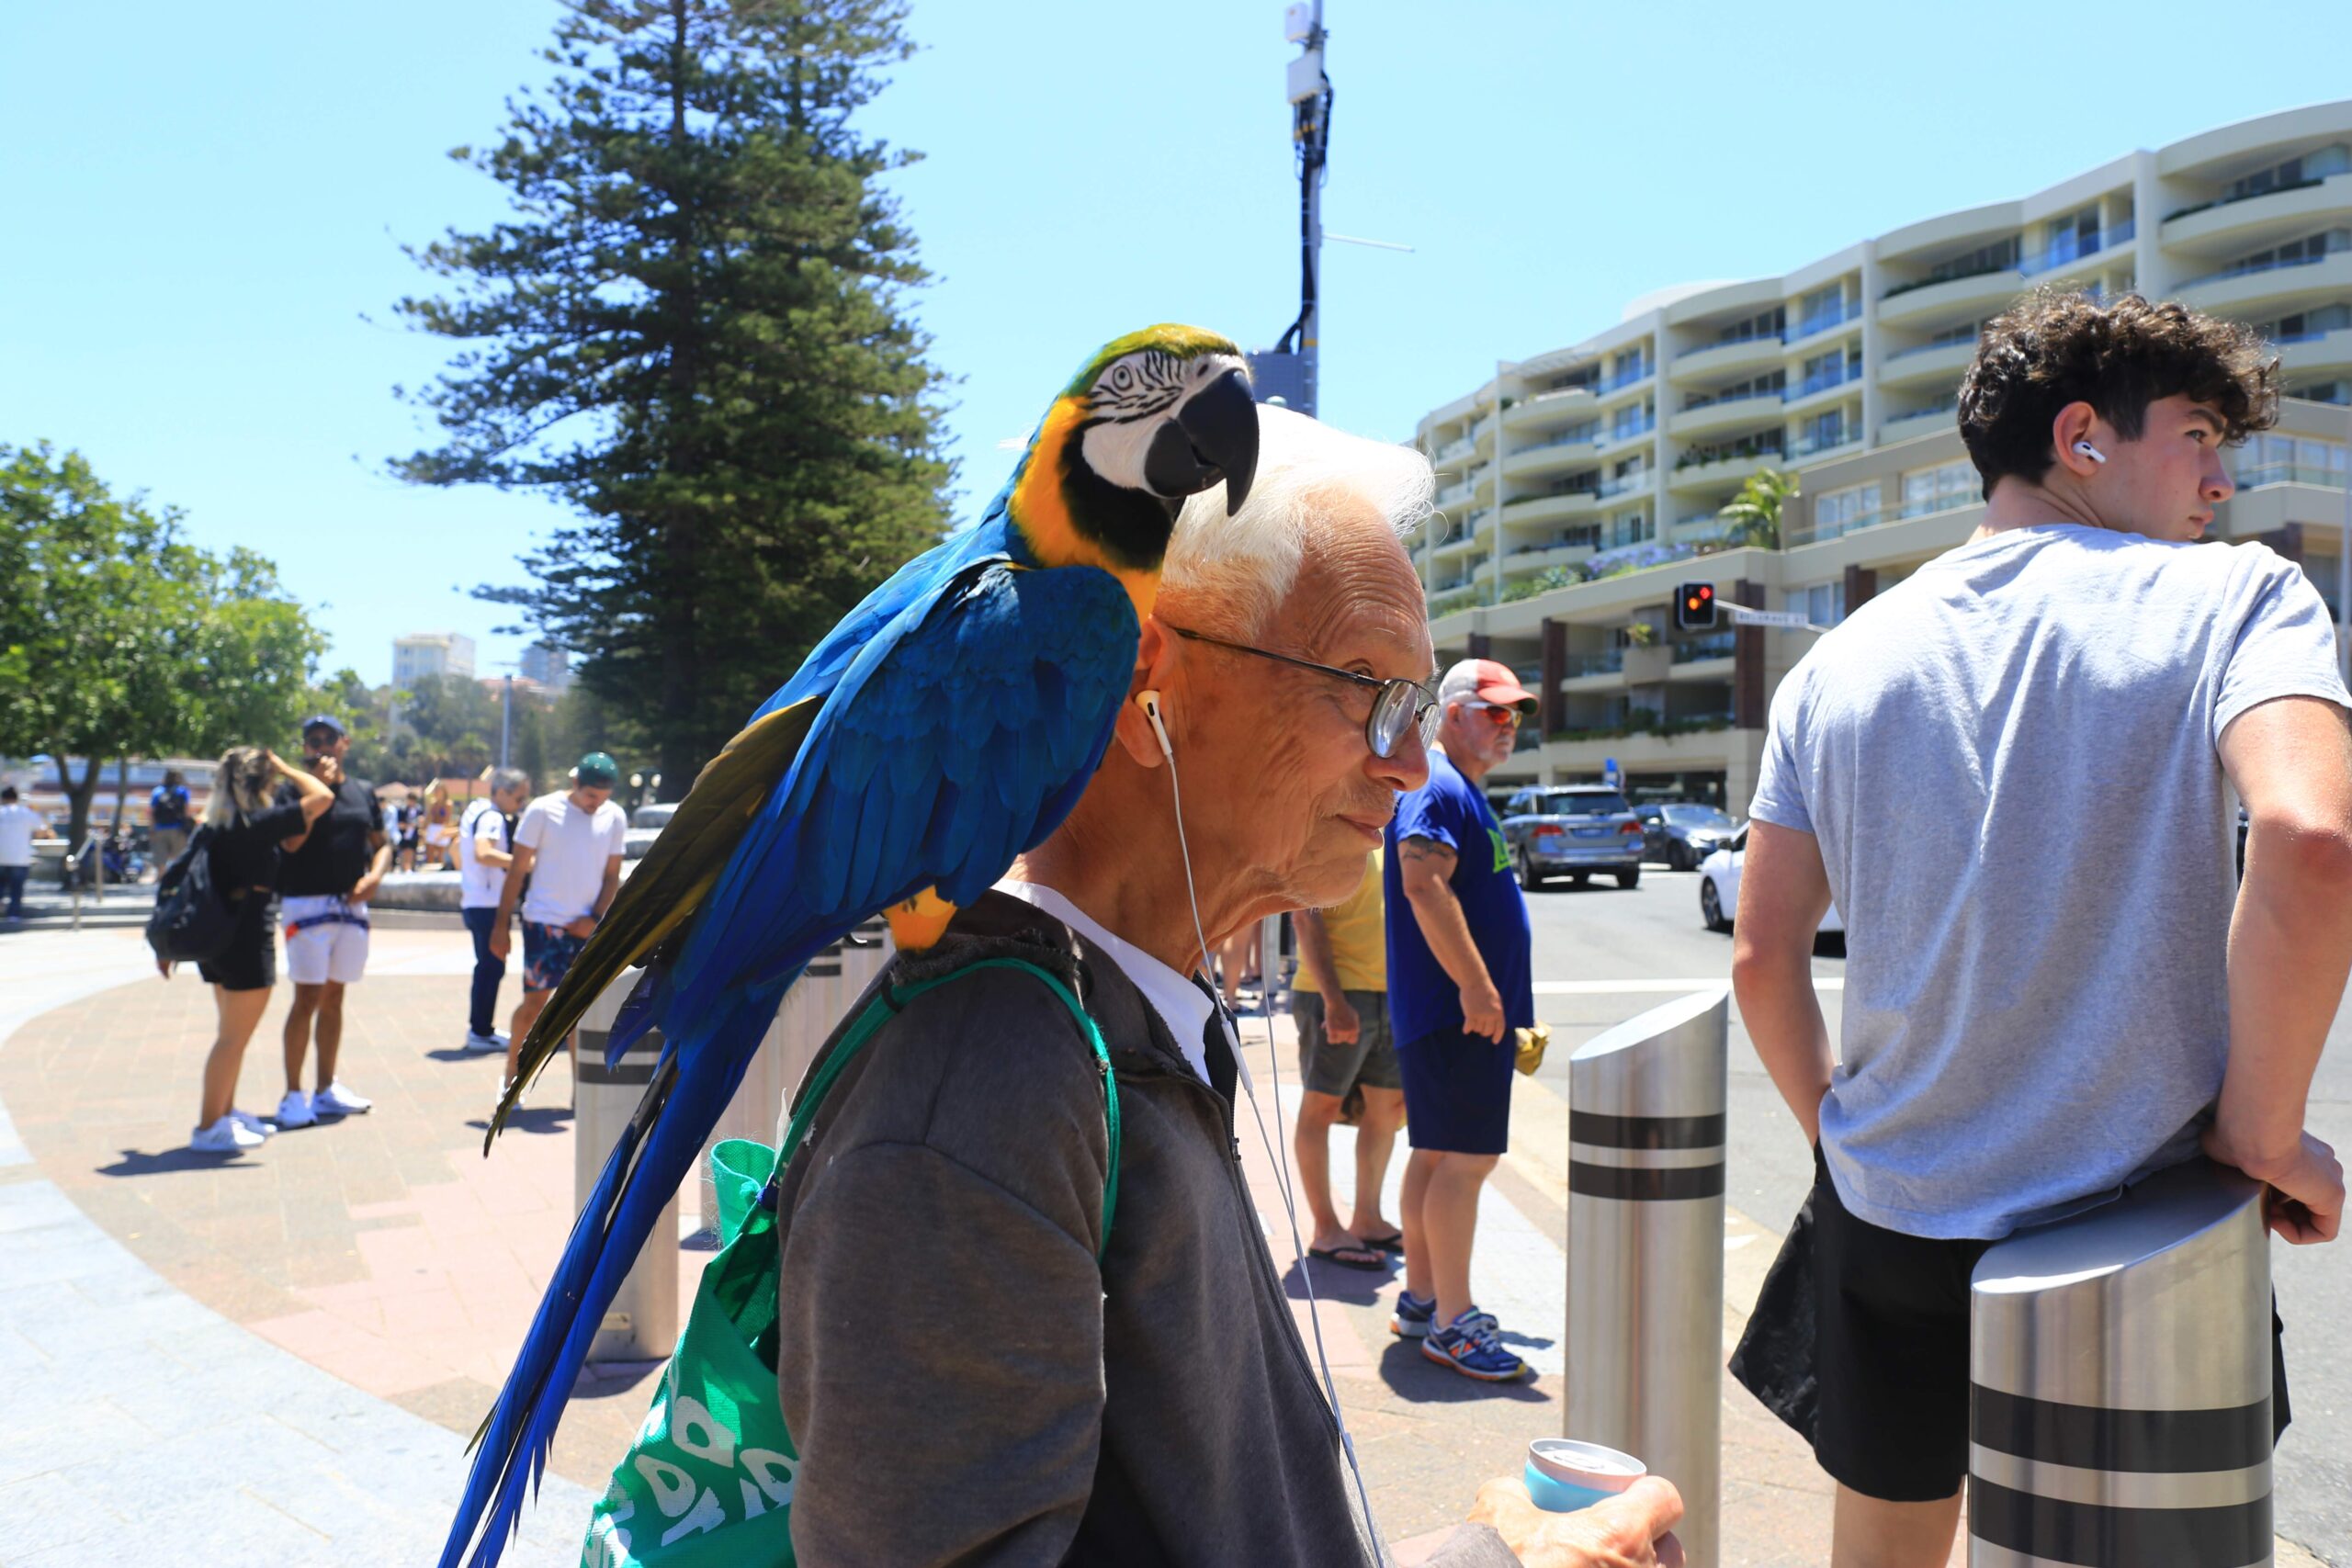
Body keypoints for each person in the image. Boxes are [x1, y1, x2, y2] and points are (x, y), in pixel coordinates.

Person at [772, 409, 1680, 1566]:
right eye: (1366, 689)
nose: (1408, 764)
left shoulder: (1119, 1028)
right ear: (1144, 683)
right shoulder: (986, 1096)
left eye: (1419, 709)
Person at [1730, 288, 2352, 1568]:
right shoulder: (2232, 598)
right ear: (2081, 436)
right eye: (2198, 437)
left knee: (1886, 1550)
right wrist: (2263, 1128)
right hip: (2132, 1228)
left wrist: (1843, 1140)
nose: (2222, 483)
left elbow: (1762, 954)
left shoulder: (1835, 664)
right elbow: (2309, 839)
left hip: (1892, 1208)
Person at [1385, 658, 1539, 1381]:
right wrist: (1479, 990)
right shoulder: (1441, 784)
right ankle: (1453, 1318)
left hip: (1451, 1016)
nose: (1510, 725)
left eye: (1516, 715)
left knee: (1438, 1156)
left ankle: (1425, 1297)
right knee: (1466, 1162)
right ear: (1452, 713)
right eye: (1495, 711)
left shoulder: (1455, 789)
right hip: (1457, 1015)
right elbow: (1423, 884)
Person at [161, 749, 334, 1152]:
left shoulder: (216, 825)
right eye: (271, 781)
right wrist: (289, 768)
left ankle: (224, 1114)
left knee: (230, 1035)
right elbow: (322, 797)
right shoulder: (257, 823)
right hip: (245, 939)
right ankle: (208, 1128)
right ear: (260, 784)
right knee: (232, 1040)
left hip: (219, 939)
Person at [273, 714, 390, 1129]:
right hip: (306, 907)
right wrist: (317, 793)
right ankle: (292, 1095)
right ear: (304, 748)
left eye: (329, 738)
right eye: (312, 740)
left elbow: (381, 844)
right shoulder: (292, 792)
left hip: (351, 908)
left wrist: (374, 876)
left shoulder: (362, 791)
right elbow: (291, 842)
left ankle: (325, 1089)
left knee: (335, 997)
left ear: (345, 743)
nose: (321, 746)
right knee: (306, 998)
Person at [1293, 847, 1407, 1269]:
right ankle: (1326, 1228)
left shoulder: (1397, 836)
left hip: (1391, 992)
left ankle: (1368, 1219)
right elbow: (1306, 917)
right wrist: (1334, 1001)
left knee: (1388, 1108)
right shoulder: (1335, 835)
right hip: (1336, 993)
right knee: (1321, 1106)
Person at [489, 753, 628, 1090]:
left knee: (580, 1010)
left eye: (604, 798)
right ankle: (512, 1076)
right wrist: (500, 925)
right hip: (544, 922)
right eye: (591, 796)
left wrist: (594, 919)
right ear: (575, 783)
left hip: (585, 927)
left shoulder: (614, 816)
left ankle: (582, 1092)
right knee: (535, 1004)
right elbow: (517, 870)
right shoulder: (543, 810)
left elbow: (612, 877)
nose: (597, 804)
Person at [458, 768, 531, 1052]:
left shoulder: (478, 811)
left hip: (478, 900)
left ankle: (482, 1028)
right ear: (501, 792)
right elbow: (483, 852)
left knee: (489, 966)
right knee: (491, 967)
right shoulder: (491, 817)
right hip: (486, 903)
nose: (521, 804)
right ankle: (479, 1031)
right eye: (519, 798)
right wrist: (522, 863)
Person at [0, 785, 54, 924]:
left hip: (1, 856)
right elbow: (43, 830)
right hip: (20, 856)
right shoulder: (26, 813)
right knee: (16, 889)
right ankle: (14, 914)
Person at [147, 769, 192, 872]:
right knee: (179, 857)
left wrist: (151, 829)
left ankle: (162, 882)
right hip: (178, 829)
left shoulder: (157, 791)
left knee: (161, 860)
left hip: (159, 829)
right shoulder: (182, 791)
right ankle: (176, 882)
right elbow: (186, 812)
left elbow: (152, 813)